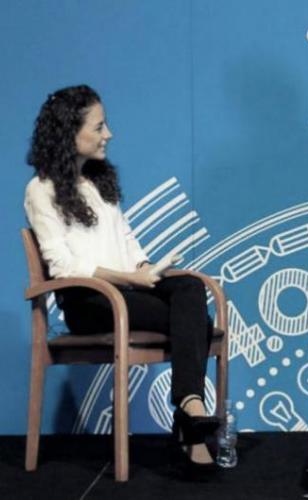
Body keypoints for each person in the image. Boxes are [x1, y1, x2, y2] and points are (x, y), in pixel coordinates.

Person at [24, 85, 219, 471]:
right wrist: (129, 278)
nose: (108, 134)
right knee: (199, 323)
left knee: (191, 286)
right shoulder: (40, 190)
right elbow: (62, 267)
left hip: (126, 293)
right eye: (99, 127)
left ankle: (189, 406)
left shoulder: (98, 182)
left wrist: (145, 269)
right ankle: (190, 417)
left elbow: (126, 241)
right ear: (69, 132)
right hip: (89, 301)